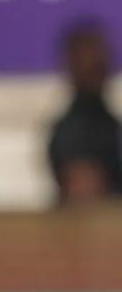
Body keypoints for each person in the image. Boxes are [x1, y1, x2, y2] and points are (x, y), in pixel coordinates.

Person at [47, 19, 122, 203]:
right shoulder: (70, 132)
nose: (98, 71)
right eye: (89, 68)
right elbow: (84, 195)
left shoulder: (110, 125)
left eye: (100, 65)